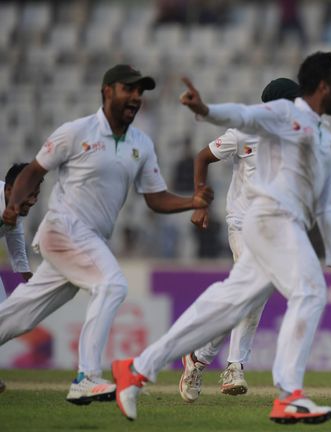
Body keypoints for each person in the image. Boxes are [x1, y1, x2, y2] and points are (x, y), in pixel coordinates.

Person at [111, 52, 331, 424]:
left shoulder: (328, 143)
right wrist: (206, 110)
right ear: (322, 87)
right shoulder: (283, 114)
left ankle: (137, 368)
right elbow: (242, 117)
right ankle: (289, 394)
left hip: (281, 225)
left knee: (228, 304)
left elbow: (327, 206)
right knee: (309, 292)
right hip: (267, 219)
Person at [0, 64, 214, 405]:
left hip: (88, 239)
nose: (135, 98)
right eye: (128, 90)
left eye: (139, 92)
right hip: (64, 227)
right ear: (107, 91)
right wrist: (12, 204)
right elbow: (34, 170)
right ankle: (87, 376)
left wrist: (192, 201)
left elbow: (155, 198)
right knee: (112, 284)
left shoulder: (141, 144)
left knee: (23, 313)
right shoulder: (76, 131)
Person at [178, 77, 300, 402]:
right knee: (253, 290)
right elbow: (202, 157)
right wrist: (200, 202)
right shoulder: (243, 130)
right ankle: (234, 366)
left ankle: (199, 356)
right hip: (242, 224)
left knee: (248, 295)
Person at [1, 163, 42, 302]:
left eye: (36, 195)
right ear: (8, 190)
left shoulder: (14, 207)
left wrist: (27, 275)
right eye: (29, 194)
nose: (33, 201)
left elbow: (15, 239)